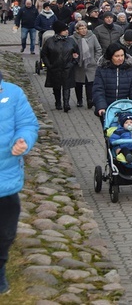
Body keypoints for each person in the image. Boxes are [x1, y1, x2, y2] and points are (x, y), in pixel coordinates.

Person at [0, 70, 39, 295]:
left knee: (5, 234)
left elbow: (28, 124)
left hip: (5, 180)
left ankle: (0, 270)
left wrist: (22, 140)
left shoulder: (13, 94)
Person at [93, 43, 132, 119]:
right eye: (117, 56)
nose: (120, 58)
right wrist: (101, 106)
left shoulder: (131, 68)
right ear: (110, 57)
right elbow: (98, 89)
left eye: (122, 55)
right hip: (108, 108)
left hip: (126, 108)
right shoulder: (102, 69)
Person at [41, 21, 80, 112]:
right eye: (64, 30)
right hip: (54, 67)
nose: (67, 31)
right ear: (59, 31)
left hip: (67, 67)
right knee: (56, 86)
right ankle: (58, 102)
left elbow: (77, 53)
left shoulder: (71, 41)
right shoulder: (50, 41)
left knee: (67, 86)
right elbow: (44, 54)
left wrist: (73, 63)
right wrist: (48, 65)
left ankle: (66, 103)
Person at [72, 20, 102, 109]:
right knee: (78, 84)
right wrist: (75, 58)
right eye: (81, 29)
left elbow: (98, 49)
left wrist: (95, 60)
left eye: (85, 28)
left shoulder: (92, 36)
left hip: (91, 65)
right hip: (79, 65)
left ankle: (90, 100)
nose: (84, 30)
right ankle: (79, 100)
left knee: (90, 83)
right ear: (77, 30)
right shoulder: (73, 38)